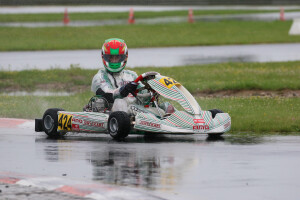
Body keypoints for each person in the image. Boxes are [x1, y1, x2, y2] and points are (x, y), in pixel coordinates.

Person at [90, 38, 174, 115]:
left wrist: (151, 90)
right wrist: (124, 89)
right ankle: (156, 117)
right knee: (120, 102)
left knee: (167, 106)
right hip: (115, 113)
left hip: (135, 109)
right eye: (111, 58)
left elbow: (143, 96)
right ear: (104, 57)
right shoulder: (100, 76)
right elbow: (108, 94)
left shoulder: (131, 75)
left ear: (124, 57)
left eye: (117, 57)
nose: (114, 61)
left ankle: (174, 119)